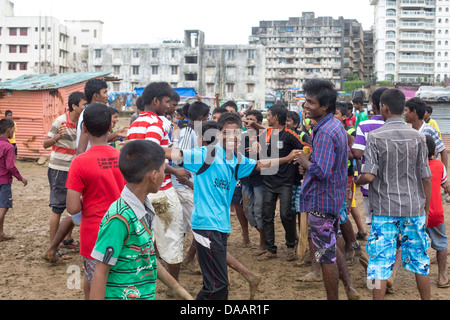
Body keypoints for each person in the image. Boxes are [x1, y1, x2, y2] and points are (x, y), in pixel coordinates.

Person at [164, 112, 298, 300]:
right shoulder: (207, 155)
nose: (231, 137)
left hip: (222, 226)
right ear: (219, 135)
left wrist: (286, 158)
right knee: (217, 285)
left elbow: (260, 164)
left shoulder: (236, 160)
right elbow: (173, 153)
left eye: (236, 133)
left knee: (219, 285)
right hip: (205, 225)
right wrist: (141, 146)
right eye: (226, 133)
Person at [89, 140, 193, 300]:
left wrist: (182, 292)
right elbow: (100, 272)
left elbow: (147, 256)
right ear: (154, 175)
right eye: (163, 170)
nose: (165, 175)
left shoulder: (144, 208)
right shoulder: (119, 218)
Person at [355, 88, 432, 300]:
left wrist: (356, 180)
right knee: (420, 262)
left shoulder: (375, 137)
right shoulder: (419, 137)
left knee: (378, 263)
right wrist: (424, 211)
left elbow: (369, 176)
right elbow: (426, 178)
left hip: (384, 211)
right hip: (413, 209)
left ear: (384, 108)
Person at [296, 79, 357, 300]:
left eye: (310, 102)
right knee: (330, 246)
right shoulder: (334, 125)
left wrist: (304, 161)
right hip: (333, 197)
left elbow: (321, 171)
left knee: (324, 256)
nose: (306, 105)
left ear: (324, 107)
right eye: (306, 101)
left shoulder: (324, 132)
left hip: (322, 200)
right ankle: (350, 288)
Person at [127, 82, 190, 285]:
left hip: (139, 191)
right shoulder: (159, 121)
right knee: (172, 237)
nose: (168, 106)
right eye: (165, 102)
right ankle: (174, 285)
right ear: (156, 101)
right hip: (160, 189)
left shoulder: (135, 123)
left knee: (147, 238)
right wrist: (174, 170)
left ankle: (148, 278)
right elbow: (152, 153)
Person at [65, 103, 127, 299]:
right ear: (110, 127)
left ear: (83, 128)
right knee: (118, 284)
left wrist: (90, 198)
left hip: (94, 235)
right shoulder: (122, 157)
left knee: (96, 282)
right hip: (121, 232)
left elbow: (72, 207)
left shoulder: (79, 162)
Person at [256, 104, 306, 262]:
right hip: (268, 181)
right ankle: (271, 249)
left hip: (285, 182)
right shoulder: (265, 133)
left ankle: (290, 246)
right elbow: (256, 146)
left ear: (276, 117)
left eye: (269, 115)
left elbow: (306, 149)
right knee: (267, 215)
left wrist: (299, 164)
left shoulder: (290, 135)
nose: (267, 118)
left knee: (286, 215)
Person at [43, 91, 86, 251]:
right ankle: (52, 246)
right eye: (83, 104)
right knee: (57, 208)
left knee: (73, 205)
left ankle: (67, 239)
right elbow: (45, 144)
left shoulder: (82, 122)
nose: (85, 107)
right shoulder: (60, 121)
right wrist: (56, 138)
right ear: (74, 106)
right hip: (59, 170)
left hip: (74, 170)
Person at [352, 87, 388, 225]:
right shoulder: (402, 127)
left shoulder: (365, 125)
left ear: (373, 105)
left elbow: (357, 153)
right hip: (393, 186)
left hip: (370, 183)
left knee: (374, 224)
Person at [334, 102, 364, 260]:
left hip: (347, 175)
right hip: (334, 176)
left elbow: (355, 153)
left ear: (345, 117)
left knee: (343, 213)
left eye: (337, 114)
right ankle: (349, 245)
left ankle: (351, 246)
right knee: (339, 213)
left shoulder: (351, 131)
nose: (333, 117)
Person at [425, 134, 450, 288]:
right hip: (435, 214)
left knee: (408, 244)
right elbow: (445, 185)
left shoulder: (414, 166)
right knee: (441, 245)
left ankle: (392, 275)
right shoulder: (439, 166)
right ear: (434, 151)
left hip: (417, 215)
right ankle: (442, 277)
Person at [242, 110, 266, 254]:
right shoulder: (242, 137)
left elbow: (271, 158)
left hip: (260, 180)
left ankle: (263, 243)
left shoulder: (265, 137)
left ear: (258, 123)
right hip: (246, 180)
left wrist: (258, 152)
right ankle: (264, 235)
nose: (249, 123)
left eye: (252, 120)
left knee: (258, 212)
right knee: (248, 211)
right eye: (247, 120)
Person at [0, 118, 27, 241]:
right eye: (13, 130)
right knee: (3, 207)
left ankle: (1, 233)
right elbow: (10, 166)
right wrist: (21, 179)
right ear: (9, 130)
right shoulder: (9, 147)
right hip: (4, 181)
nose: (13, 132)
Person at [403, 97, 448, 171]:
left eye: (406, 111)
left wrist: (443, 174)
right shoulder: (408, 131)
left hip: (429, 173)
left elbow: (443, 151)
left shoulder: (430, 130)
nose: (404, 114)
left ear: (414, 112)